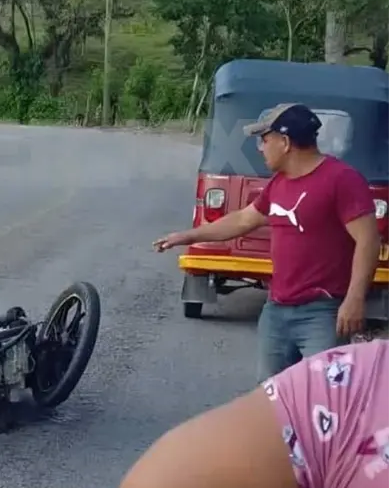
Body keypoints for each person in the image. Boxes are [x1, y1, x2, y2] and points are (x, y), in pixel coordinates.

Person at [153, 103, 379, 381]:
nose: (260, 147)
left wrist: (355, 299)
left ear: (285, 142)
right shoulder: (279, 184)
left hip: (324, 312)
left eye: (264, 139)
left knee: (325, 398)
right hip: (276, 309)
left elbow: (368, 239)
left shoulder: (342, 180)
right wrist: (187, 236)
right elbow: (243, 220)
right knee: (271, 399)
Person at [119, 339, 389, 488]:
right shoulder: (360, 384)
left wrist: (353, 295)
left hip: (318, 309)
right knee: (270, 385)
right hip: (279, 311)